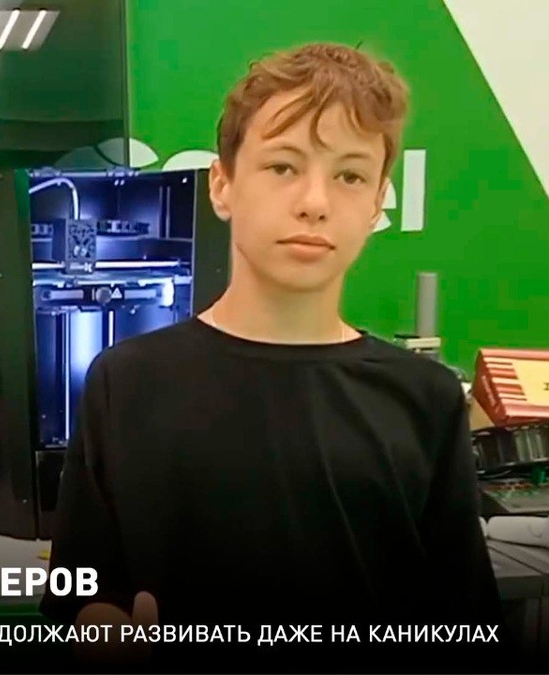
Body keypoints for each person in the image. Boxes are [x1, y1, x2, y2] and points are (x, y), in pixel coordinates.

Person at [40, 43, 506, 670]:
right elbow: (77, 596)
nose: (315, 201)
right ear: (223, 185)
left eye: (349, 176)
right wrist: (103, 634)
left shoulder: (425, 399)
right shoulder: (126, 383)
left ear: (377, 203)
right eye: (284, 166)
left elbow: (465, 625)